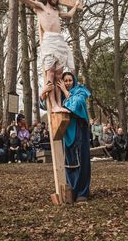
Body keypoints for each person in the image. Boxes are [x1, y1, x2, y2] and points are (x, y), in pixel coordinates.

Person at [1, 0, 79, 113]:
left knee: (59, 76)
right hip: (49, 41)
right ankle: (53, 105)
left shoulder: (56, 11)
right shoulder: (40, 6)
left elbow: (69, 15)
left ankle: (59, 105)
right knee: (50, 74)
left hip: (59, 42)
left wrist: (76, 5)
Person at [41, 71, 91, 202]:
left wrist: (64, 90)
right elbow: (45, 106)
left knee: (81, 161)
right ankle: (71, 192)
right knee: (68, 162)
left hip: (79, 131)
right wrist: (44, 93)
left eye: (70, 80)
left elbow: (77, 103)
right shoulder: (59, 97)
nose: (68, 83)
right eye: (65, 81)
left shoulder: (80, 90)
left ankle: (82, 192)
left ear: (73, 81)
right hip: (65, 131)